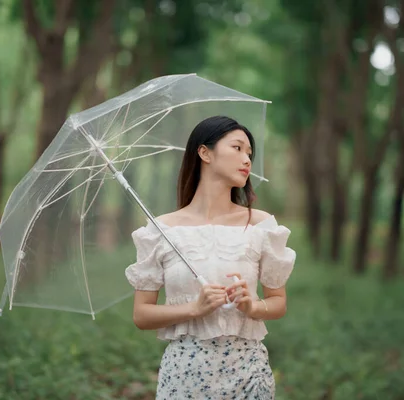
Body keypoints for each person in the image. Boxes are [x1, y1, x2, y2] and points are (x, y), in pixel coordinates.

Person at [125, 115, 296, 399]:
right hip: (184, 377)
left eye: (250, 153)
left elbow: (278, 303)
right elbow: (142, 315)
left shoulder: (261, 224)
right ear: (204, 152)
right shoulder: (162, 230)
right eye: (237, 148)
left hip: (248, 375)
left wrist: (251, 306)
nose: (247, 160)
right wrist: (195, 308)